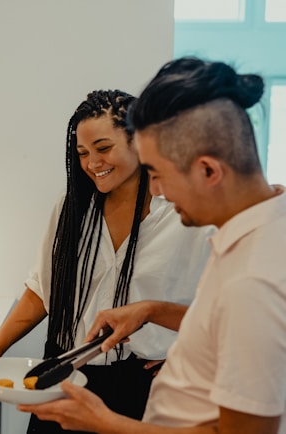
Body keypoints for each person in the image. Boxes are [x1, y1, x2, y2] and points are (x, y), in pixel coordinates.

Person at [18, 57, 286, 434]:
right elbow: (223, 326)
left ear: (208, 170)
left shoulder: (252, 282)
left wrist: (104, 423)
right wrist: (151, 310)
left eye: (158, 174)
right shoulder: (260, 232)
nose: (156, 190)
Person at [0, 89, 214, 432]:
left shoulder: (185, 217)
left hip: (143, 386)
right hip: (64, 376)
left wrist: (191, 356)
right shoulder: (72, 209)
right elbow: (41, 289)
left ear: (139, 142)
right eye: (82, 153)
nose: (92, 164)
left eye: (104, 149)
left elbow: (222, 306)